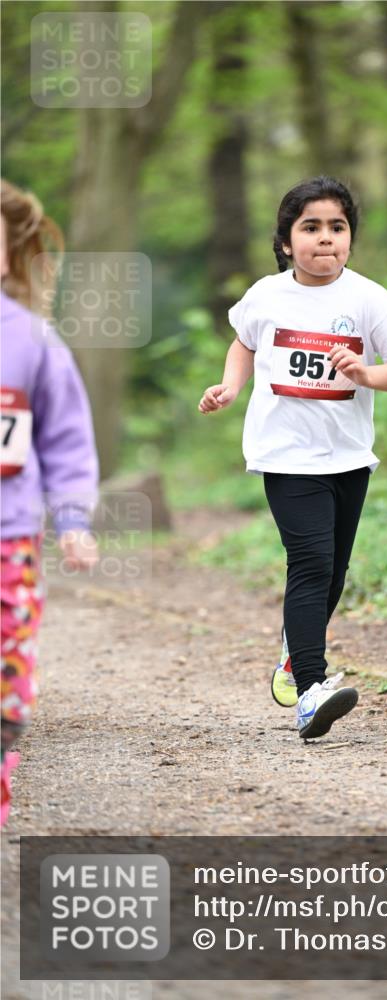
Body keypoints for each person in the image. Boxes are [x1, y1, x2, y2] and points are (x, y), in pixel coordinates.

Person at [199, 176, 387, 740]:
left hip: (347, 456)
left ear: (350, 238)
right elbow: (244, 342)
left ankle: (294, 654)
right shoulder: (267, 296)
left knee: (335, 573)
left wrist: (368, 373)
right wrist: (229, 386)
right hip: (286, 452)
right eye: (311, 228)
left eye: (337, 227)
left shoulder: (371, 299)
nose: (325, 239)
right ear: (285, 241)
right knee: (312, 563)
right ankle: (310, 692)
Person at [1, 179, 99, 826]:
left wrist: (71, 521)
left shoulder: (32, 340)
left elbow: (65, 439)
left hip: (11, 542)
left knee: (8, 690)